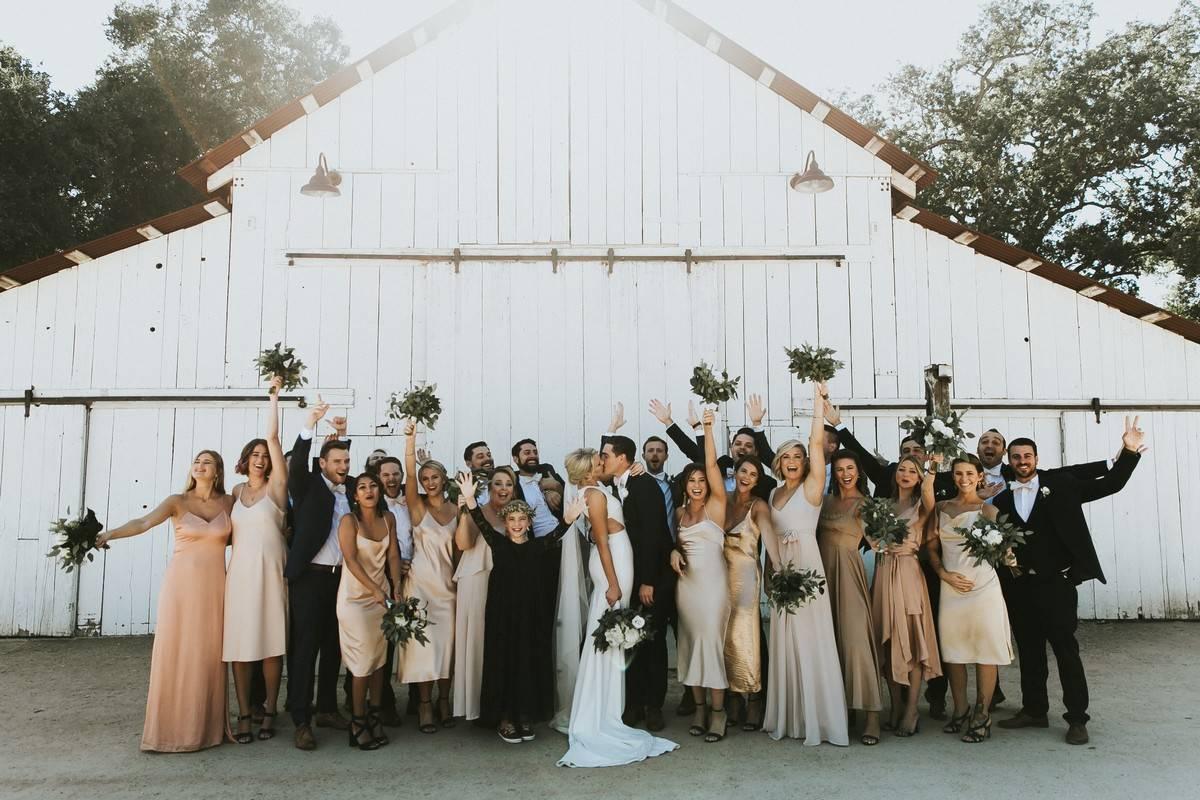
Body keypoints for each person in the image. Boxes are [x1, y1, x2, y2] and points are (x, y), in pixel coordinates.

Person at [993, 420, 1144, 745]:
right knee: (1030, 652)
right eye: (1016, 457)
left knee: (1065, 651)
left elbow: (1112, 483)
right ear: (1009, 460)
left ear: (1035, 458)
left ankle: (1077, 718)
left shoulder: (1061, 485)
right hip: (1020, 588)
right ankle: (1034, 710)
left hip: (1057, 586)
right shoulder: (1001, 500)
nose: (1022, 462)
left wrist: (1129, 451)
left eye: (1027, 456)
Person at [98, 450, 233, 752]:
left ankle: (205, 728)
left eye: (207, 462)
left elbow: (248, 536)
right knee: (177, 651)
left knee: (207, 654)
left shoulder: (229, 503)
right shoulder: (177, 501)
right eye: (196, 461)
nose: (199, 465)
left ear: (218, 471)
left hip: (215, 588)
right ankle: (169, 731)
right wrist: (110, 534)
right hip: (181, 586)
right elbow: (143, 523)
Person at [558, 448, 678, 767]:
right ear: (587, 471)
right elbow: (601, 541)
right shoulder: (594, 495)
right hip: (613, 565)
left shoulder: (596, 490)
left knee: (612, 632)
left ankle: (609, 706)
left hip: (621, 560)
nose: (603, 462)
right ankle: (599, 713)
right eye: (599, 461)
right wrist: (613, 583)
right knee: (608, 630)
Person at [458, 474, 584, 741]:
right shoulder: (498, 543)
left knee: (527, 662)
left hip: (529, 616)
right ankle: (505, 717)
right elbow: (480, 523)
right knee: (503, 662)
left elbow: (556, 534)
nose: (516, 524)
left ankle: (525, 715)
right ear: (505, 522)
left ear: (528, 523)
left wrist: (569, 519)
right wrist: (469, 500)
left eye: (521, 519)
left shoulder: (538, 547)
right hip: (502, 616)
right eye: (512, 520)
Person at [762, 383, 848, 745]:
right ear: (779, 464)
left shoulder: (812, 488)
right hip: (782, 568)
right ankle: (792, 717)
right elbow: (768, 536)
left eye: (798, 456)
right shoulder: (772, 492)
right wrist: (770, 573)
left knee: (811, 637)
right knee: (786, 638)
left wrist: (818, 405)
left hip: (808, 565)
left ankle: (820, 718)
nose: (793, 461)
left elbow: (816, 444)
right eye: (787, 457)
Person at [926, 455, 1012, 744]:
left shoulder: (988, 510)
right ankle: (960, 709)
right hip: (951, 587)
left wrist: (1008, 555)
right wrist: (943, 575)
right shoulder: (940, 508)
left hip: (983, 587)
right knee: (954, 652)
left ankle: (982, 712)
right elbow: (931, 548)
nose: (963, 479)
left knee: (984, 650)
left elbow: (1002, 549)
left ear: (979, 477)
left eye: (968, 473)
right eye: (958, 473)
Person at [282, 400, 353, 750]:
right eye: (336, 461)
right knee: (305, 648)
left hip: (341, 580)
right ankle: (301, 719)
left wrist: (340, 436)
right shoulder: (306, 485)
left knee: (333, 646)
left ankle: (327, 708)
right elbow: (299, 462)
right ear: (321, 464)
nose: (343, 466)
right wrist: (309, 425)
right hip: (309, 578)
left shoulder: (351, 488)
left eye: (346, 461)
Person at [224, 377, 289, 743]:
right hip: (240, 576)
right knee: (240, 646)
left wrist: (273, 398)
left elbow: (276, 440)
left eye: (265, 455)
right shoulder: (234, 492)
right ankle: (245, 712)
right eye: (256, 454)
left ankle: (270, 711)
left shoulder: (277, 488)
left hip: (271, 573)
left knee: (270, 644)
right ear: (246, 459)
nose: (262, 459)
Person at [599, 431, 676, 732]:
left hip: (650, 577)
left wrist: (648, 582)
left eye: (606, 455)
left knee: (652, 643)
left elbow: (653, 536)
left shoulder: (644, 485)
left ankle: (653, 706)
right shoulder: (615, 485)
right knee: (629, 641)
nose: (602, 459)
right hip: (627, 577)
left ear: (622, 458)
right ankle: (633, 703)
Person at [670, 409, 731, 743]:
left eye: (701, 481)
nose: (697, 485)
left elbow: (710, 465)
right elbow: (674, 543)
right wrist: (673, 551)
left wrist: (707, 428)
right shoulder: (679, 512)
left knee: (710, 643)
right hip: (686, 587)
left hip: (713, 587)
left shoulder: (717, 506)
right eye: (691, 481)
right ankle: (699, 709)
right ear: (685, 485)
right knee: (690, 644)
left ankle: (719, 712)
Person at [868, 455, 941, 737]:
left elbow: (928, 494)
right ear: (894, 474)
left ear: (920, 477)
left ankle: (911, 709)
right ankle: (896, 704)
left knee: (910, 638)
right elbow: (870, 534)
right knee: (886, 640)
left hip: (909, 573)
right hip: (884, 572)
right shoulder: (882, 506)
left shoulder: (921, 506)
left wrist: (932, 468)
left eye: (913, 471)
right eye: (902, 469)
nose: (906, 474)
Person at [817, 448, 884, 744]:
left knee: (856, 642)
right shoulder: (824, 501)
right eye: (840, 469)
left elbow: (882, 542)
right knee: (829, 643)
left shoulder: (866, 504)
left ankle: (871, 714)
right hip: (821, 576)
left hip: (848, 573)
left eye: (850, 469)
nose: (845, 474)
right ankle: (840, 710)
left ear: (859, 472)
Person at [337, 472, 403, 750]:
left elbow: (393, 555)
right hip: (355, 600)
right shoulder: (349, 521)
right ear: (355, 495)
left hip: (382, 598)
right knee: (362, 663)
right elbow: (350, 560)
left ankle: (375, 716)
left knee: (379, 660)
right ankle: (358, 721)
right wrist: (374, 590)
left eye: (372, 486)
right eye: (362, 487)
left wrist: (396, 587)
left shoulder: (388, 519)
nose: (368, 490)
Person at [398, 420, 458, 733]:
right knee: (423, 646)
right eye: (425, 478)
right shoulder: (417, 507)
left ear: (444, 479)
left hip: (448, 587)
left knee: (447, 646)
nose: (429, 482)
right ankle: (424, 705)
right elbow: (408, 474)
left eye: (434, 477)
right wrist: (411, 441)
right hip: (420, 585)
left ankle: (444, 700)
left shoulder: (458, 509)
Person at [452, 466, 519, 722]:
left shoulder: (517, 514)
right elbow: (463, 544)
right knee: (478, 639)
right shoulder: (476, 510)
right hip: (477, 578)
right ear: (490, 488)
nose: (503, 489)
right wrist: (465, 513)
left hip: (504, 582)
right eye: (498, 484)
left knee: (500, 640)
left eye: (508, 484)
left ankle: (499, 702)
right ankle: (475, 705)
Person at [722, 455, 775, 732]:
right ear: (735, 471)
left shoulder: (759, 506)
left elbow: (770, 541)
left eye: (753, 475)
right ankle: (732, 696)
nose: (747, 477)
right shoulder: (723, 500)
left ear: (757, 481)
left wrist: (776, 572)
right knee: (725, 637)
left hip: (745, 579)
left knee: (746, 636)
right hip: (719, 578)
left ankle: (753, 696)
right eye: (744, 471)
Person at [653, 397, 777, 500]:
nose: (742, 448)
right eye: (738, 444)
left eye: (748, 446)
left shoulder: (768, 483)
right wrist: (669, 422)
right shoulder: (723, 464)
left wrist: (757, 423)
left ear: (756, 451)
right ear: (731, 447)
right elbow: (698, 455)